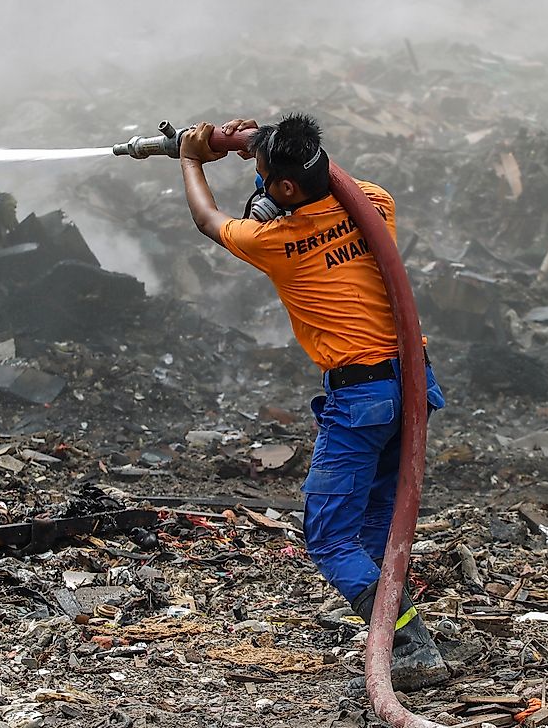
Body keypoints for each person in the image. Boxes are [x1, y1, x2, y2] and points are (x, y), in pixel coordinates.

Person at [179, 113, 449, 693]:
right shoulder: (376, 204)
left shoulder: (278, 244)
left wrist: (191, 157)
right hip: (413, 388)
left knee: (328, 539)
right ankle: (402, 628)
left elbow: (208, 220)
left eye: (263, 174)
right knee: (378, 521)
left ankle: (406, 639)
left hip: (361, 400)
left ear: (283, 190)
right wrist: (262, 163)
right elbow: (326, 193)